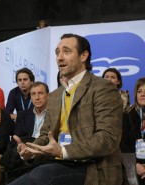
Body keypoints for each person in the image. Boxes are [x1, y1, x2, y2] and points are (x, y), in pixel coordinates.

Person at [10, 33, 124, 185]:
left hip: (92, 166)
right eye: (57, 52)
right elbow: (45, 135)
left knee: (41, 175)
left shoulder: (103, 88)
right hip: (59, 164)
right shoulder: (56, 96)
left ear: (83, 56)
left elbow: (108, 138)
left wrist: (63, 151)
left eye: (66, 51)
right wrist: (31, 150)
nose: (59, 57)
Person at [0, 82, 49, 183]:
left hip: (44, 152)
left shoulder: (55, 114)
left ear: (48, 95)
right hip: (24, 153)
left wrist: (33, 144)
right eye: (33, 94)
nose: (37, 97)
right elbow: (16, 139)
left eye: (40, 93)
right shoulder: (23, 115)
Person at [120, 77, 145, 184]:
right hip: (132, 170)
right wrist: (135, 164)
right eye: (139, 91)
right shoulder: (127, 116)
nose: (142, 94)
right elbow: (122, 144)